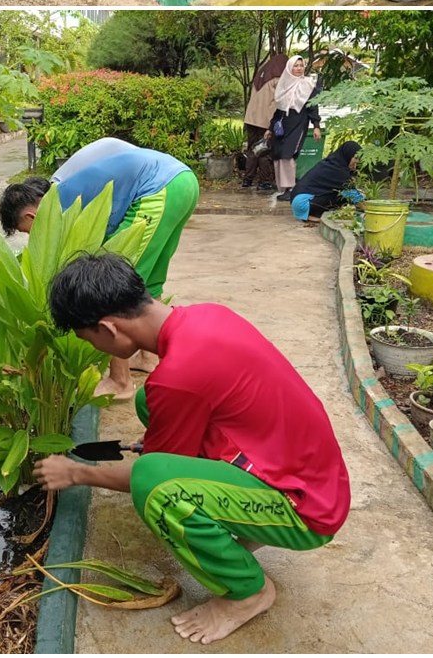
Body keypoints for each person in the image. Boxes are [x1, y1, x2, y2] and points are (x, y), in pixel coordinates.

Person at [35, 254, 350, 644]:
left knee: (157, 489)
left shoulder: (178, 376)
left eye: (89, 339)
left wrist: (77, 472)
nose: (94, 347)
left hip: (308, 508)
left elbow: (148, 471)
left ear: (108, 328)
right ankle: (233, 525)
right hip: (312, 471)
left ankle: (248, 593)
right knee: (148, 402)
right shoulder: (205, 316)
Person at [0, 135, 200, 401]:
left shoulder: (59, 200)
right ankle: (148, 358)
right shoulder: (63, 183)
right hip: (182, 180)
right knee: (149, 280)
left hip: (156, 190)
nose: (35, 237)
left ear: (31, 216)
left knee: (113, 288)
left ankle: (120, 381)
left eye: (30, 232)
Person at [270, 56, 322, 200]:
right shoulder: (284, 84)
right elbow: (279, 110)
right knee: (279, 154)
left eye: (301, 65)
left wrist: (316, 126)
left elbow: (312, 107)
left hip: (299, 123)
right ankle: (284, 187)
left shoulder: (308, 85)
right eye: (296, 66)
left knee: (288, 154)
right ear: (289, 68)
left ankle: (291, 187)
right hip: (282, 125)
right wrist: (270, 128)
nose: (299, 68)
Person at [242, 53, 289, 189]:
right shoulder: (278, 78)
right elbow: (281, 100)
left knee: (253, 149)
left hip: (251, 119)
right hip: (266, 120)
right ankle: (264, 181)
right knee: (265, 151)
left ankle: (247, 179)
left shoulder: (261, 74)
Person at [287, 141, 364, 222]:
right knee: (344, 196)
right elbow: (352, 194)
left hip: (298, 200)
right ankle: (310, 216)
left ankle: (310, 215)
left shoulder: (332, 164)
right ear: (348, 155)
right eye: (355, 158)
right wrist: (369, 210)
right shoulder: (338, 171)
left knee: (344, 194)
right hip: (303, 203)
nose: (355, 166)